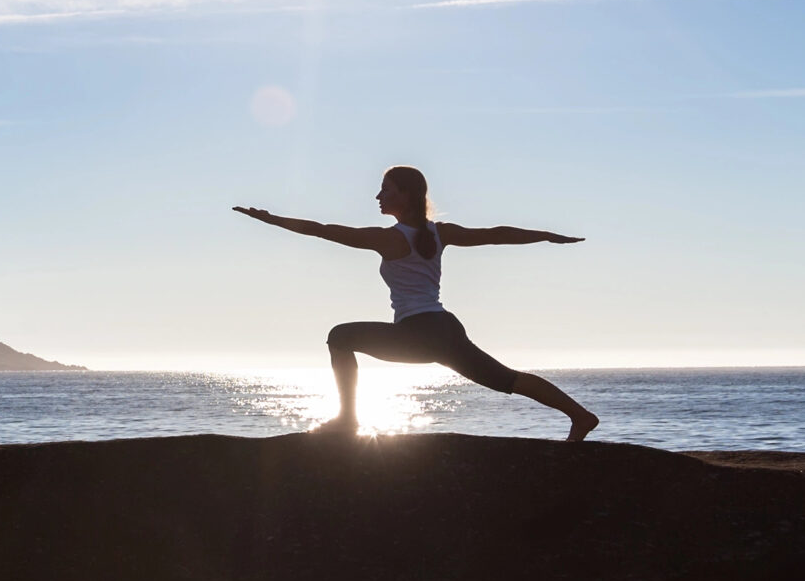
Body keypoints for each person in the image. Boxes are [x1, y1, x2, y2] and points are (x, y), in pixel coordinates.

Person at [234, 166, 599, 439]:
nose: (378, 196)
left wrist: (271, 220)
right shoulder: (440, 233)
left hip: (419, 332)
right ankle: (579, 415)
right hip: (444, 329)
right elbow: (496, 234)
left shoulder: (389, 239)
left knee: (340, 336)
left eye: (385, 190)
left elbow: (323, 230)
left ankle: (347, 420)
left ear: (405, 195)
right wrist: (548, 236)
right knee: (506, 379)